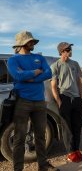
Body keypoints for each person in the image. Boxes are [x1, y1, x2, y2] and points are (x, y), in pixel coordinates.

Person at [7, 31, 59, 171]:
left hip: (40, 101)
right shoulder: (13, 60)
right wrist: (36, 72)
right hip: (22, 102)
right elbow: (17, 75)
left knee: (40, 135)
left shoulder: (39, 58)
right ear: (23, 43)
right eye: (30, 41)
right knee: (19, 138)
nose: (33, 43)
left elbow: (48, 73)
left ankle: (43, 165)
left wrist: (29, 77)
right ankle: (18, 169)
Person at [50, 42, 82, 162]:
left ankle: (77, 150)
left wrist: (81, 97)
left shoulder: (75, 64)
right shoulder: (56, 66)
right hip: (64, 98)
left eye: (70, 49)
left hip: (76, 99)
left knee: (77, 126)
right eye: (68, 49)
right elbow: (53, 86)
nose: (70, 51)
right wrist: (59, 101)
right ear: (62, 51)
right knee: (67, 127)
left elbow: (79, 82)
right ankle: (70, 153)